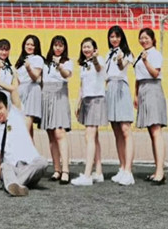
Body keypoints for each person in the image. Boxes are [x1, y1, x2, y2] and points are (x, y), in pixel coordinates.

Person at [0, 90, 48, 197]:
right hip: (12, 169)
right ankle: (14, 185)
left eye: (0, 108)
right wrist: (0, 174)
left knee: (42, 161)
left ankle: (10, 184)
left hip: (29, 168)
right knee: (4, 166)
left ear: (6, 107)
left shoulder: (17, 116)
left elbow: (13, 90)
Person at [71, 38, 108, 186]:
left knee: (89, 136)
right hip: (86, 100)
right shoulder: (83, 65)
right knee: (94, 137)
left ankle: (87, 175)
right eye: (84, 47)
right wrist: (78, 102)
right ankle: (98, 172)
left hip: (96, 99)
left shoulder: (99, 60)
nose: (86, 49)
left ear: (94, 49)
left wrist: (95, 59)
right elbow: (82, 86)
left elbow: (98, 68)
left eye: (89, 47)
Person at [134, 28, 166, 185]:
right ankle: (157, 169)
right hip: (143, 90)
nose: (144, 40)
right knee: (151, 132)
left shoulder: (155, 54)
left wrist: (146, 61)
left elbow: (155, 73)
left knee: (156, 130)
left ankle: (160, 171)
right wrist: (136, 94)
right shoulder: (141, 54)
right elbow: (137, 77)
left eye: (147, 38)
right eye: (141, 38)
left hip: (153, 89)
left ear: (153, 39)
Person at [104, 25, 135, 185]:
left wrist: (121, 59)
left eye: (117, 36)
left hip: (121, 88)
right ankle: (122, 167)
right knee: (116, 131)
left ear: (121, 37)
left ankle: (129, 171)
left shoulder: (127, 53)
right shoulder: (108, 54)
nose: (114, 39)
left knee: (125, 129)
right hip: (110, 88)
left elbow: (122, 66)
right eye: (111, 36)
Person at [41, 35, 73, 184]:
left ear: (64, 47)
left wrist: (60, 66)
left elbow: (67, 75)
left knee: (60, 133)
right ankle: (56, 169)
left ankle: (65, 170)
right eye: (56, 45)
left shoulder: (67, 62)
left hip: (60, 95)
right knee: (51, 135)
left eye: (61, 45)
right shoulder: (45, 62)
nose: (58, 48)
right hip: (46, 96)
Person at [14, 35, 44, 138]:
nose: (29, 47)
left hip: (32, 90)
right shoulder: (21, 60)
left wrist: (29, 69)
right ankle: (31, 148)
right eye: (27, 44)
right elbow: (17, 81)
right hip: (21, 91)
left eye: (32, 45)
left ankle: (22, 147)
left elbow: (35, 77)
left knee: (26, 122)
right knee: (27, 127)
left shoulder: (37, 58)